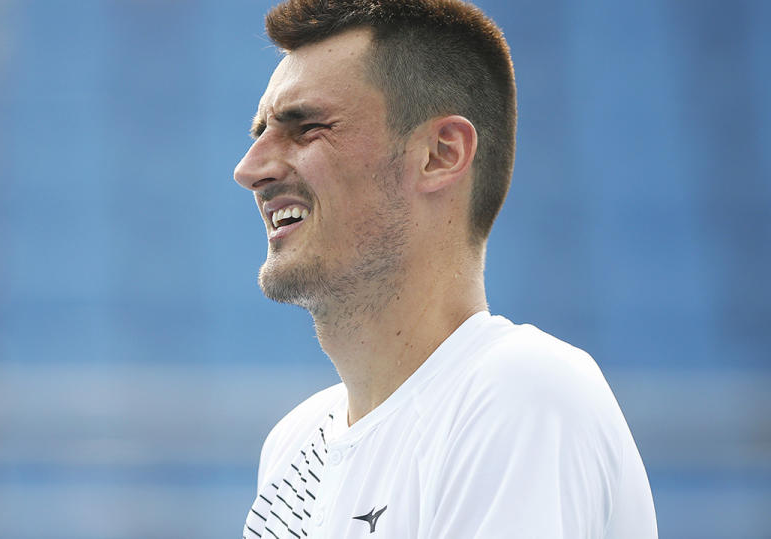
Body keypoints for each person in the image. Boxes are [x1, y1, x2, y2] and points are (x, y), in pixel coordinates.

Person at [233, 1, 657, 537]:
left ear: (440, 153)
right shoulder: (293, 445)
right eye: (259, 132)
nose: (250, 169)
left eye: (307, 127)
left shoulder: (519, 393)